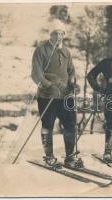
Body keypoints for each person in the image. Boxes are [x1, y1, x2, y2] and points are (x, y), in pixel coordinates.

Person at [31, 24, 83, 168]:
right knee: (47, 125)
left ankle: (70, 157)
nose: (58, 36)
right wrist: (48, 86)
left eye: (61, 33)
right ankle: (49, 156)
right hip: (47, 96)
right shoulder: (41, 50)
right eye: (55, 33)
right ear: (50, 34)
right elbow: (36, 74)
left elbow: (71, 71)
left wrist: (73, 84)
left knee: (71, 124)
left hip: (65, 96)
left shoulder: (66, 51)